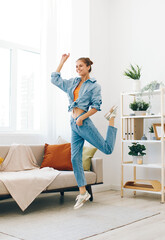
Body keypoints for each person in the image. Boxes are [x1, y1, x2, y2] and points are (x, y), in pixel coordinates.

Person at [51, 53, 118, 209]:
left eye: (81, 66)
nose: (78, 69)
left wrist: (82, 117)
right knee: (75, 159)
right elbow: (55, 79)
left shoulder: (94, 85)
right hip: (73, 123)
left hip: (83, 122)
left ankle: (112, 119)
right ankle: (83, 193)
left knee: (107, 149)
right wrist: (62, 61)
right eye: (76, 66)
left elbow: (96, 106)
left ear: (88, 67)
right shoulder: (73, 83)